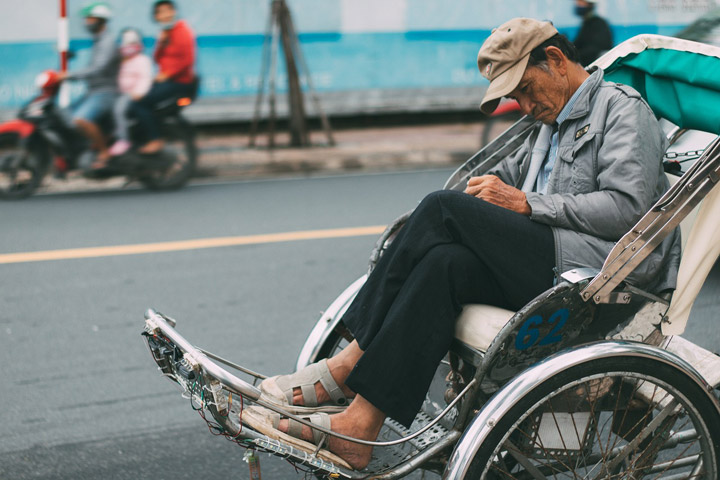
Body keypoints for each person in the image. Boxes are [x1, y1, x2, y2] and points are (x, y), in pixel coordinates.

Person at [244, 18, 682, 470]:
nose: (525, 105)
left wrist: (527, 204)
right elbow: (498, 185)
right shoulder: (548, 124)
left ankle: (352, 361)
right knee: (443, 262)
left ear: (554, 60)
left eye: (527, 89)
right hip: (548, 264)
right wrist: (484, 197)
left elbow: (628, 210)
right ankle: (360, 425)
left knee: (440, 210)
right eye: (517, 97)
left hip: (598, 275)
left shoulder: (621, 108)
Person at [128, 0, 196, 154]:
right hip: (167, 80)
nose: (165, 15)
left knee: (140, 101)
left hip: (179, 82)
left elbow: (187, 60)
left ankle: (155, 139)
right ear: (156, 17)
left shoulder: (182, 30)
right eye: (160, 12)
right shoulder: (167, 33)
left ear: (174, 12)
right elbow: (156, 59)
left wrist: (167, 74)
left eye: (167, 11)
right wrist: (162, 41)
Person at [58, 2, 120, 167]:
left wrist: (69, 75)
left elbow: (98, 68)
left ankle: (103, 152)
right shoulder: (98, 40)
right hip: (93, 91)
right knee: (65, 115)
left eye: (91, 19)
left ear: (101, 20)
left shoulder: (107, 41)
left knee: (81, 119)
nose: (88, 23)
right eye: (87, 19)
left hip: (106, 92)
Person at [107, 29, 153, 158]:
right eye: (126, 43)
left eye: (132, 43)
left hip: (132, 95)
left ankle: (124, 140)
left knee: (119, 109)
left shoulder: (142, 60)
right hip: (120, 94)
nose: (128, 47)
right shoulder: (122, 62)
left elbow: (145, 78)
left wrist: (138, 93)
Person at [573, 0, 613, 66]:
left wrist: (577, 55)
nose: (577, 5)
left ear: (590, 4)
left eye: (580, 3)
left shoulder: (599, 24)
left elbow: (598, 48)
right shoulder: (586, 24)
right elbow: (577, 44)